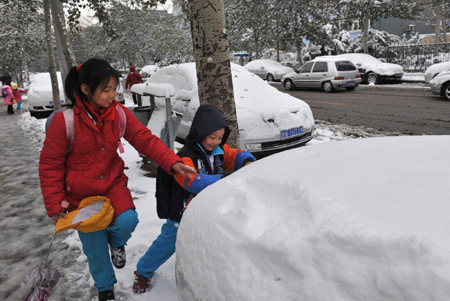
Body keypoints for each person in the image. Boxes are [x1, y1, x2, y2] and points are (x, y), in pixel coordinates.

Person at [39, 58, 195, 301]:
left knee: (127, 221)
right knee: (94, 246)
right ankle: (105, 288)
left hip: (112, 184)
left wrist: (172, 162)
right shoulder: (64, 122)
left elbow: (145, 139)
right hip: (79, 194)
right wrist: (55, 203)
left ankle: (116, 243)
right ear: (86, 90)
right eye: (106, 90)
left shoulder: (119, 114)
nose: (113, 95)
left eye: (115, 89)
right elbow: (50, 166)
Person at [132, 104, 256, 294]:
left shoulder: (217, 152)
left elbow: (234, 155)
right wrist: (221, 180)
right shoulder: (185, 156)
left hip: (205, 209)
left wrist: (246, 160)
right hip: (181, 213)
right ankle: (143, 271)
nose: (216, 142)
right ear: (200, 133)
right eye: (212, 137)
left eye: (220, 138)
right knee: (167, 243)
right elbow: (192, 182)